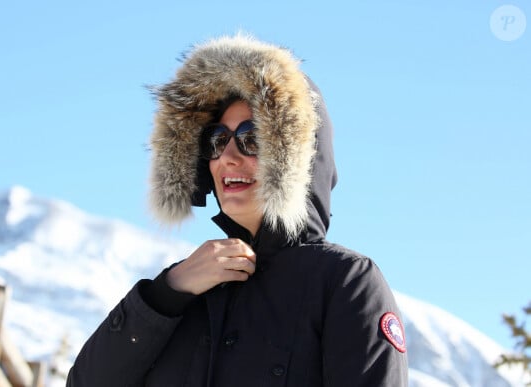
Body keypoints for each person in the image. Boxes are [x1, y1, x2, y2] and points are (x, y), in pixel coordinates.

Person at [67, 34, 408, 386]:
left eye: (252, 138)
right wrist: (166, 294)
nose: (228, 157)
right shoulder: (185, 289)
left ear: (294, 156)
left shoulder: (345, 283)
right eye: (217, 140)